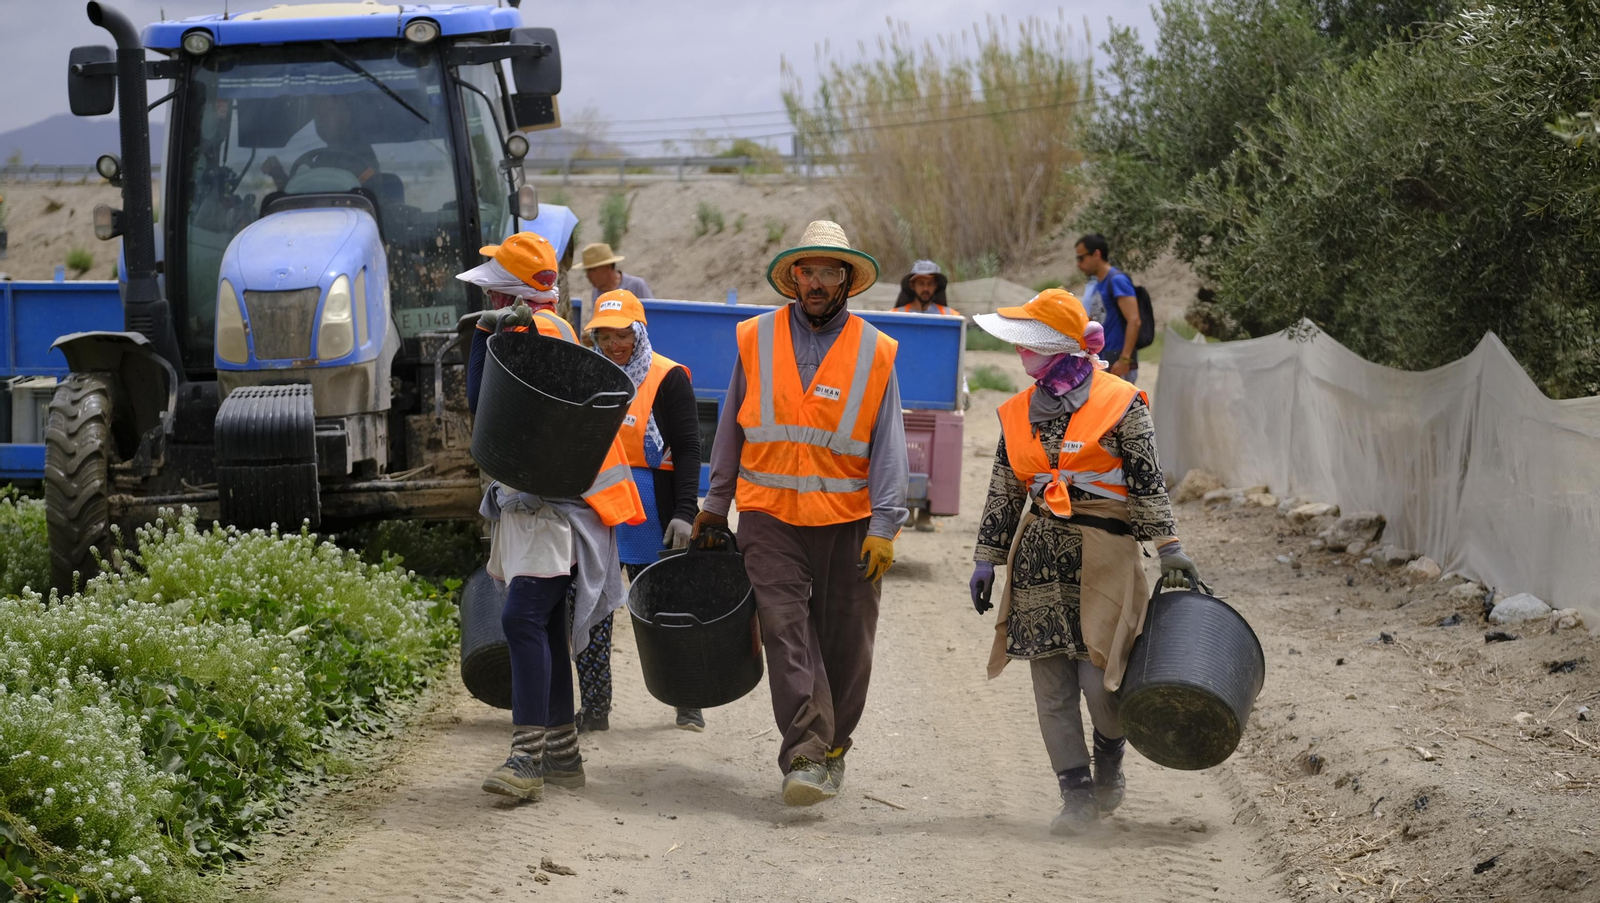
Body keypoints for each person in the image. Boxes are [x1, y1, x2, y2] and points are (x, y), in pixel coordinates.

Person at [965, 289, 1200, 835]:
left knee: (1102, 684)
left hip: (1104, 558)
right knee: (1051, 690)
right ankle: (1075, 796)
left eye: (1029, 344)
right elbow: (1004, 490)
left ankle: (1110, 755)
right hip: (1039, 563)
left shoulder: (1121, 402)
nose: (1021, 355)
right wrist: (986, 559)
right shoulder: (1017, 412)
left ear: (1054, 347)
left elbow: (1146, 482)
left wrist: (1170, 551)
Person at [694, 220, 908, 807]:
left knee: (848, 644)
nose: (816, 282)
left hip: (849, 520)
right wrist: (716, 505)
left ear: (846, 281)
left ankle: (834, 751)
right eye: (807, 271)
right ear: (792, 278)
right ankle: (806, 754)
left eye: (828, 272)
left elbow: (889, 444)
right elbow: (731, 424)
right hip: (770, 517)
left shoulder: (875, 350)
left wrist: (886, 525)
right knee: (786, 632)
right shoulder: (756, 340)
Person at [458, 232, 646, 802]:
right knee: (538, 625)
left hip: (555, 509)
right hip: (534, 501)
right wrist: (489, 333)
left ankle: (527, 757)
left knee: (521, 619)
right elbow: (480, 404)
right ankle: (563, 752)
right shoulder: (519, 328)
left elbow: (486, 400)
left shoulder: (544, 332)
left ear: (511, 292)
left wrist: (497, 332)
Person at [575, 289, 706, 733]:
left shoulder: (667, 377)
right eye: (606, 336)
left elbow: (688, 450)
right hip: (600, 515)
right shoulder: (588, 375)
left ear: (641, 331)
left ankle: (688, 700)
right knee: (592, 614)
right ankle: (594, 710)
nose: (615, 345)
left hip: (654, 517)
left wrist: (685, 512)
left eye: (624, 335)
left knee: (667, 612)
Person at [1074, 234, 1140, 383]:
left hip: (1118, 360)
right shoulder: (1099, 284)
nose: (1079, 264)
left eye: (1081, 258)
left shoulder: (1117, 280)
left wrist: (1124, 359)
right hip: (1105, 359)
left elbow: (1134, 320)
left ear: (1096, 254)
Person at [573, 242, 654, 306]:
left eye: (592, 270)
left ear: (607, 267)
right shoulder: (597, 292)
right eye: (587, 271)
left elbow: (653, 316)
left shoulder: (636, 286)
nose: (588, 275)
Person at [894, 260, 958, 315]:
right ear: (912, 285)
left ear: (936, 286)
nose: (925, 288)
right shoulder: (896, 315)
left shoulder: (950, 316)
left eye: (930, 284)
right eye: (921, 283)